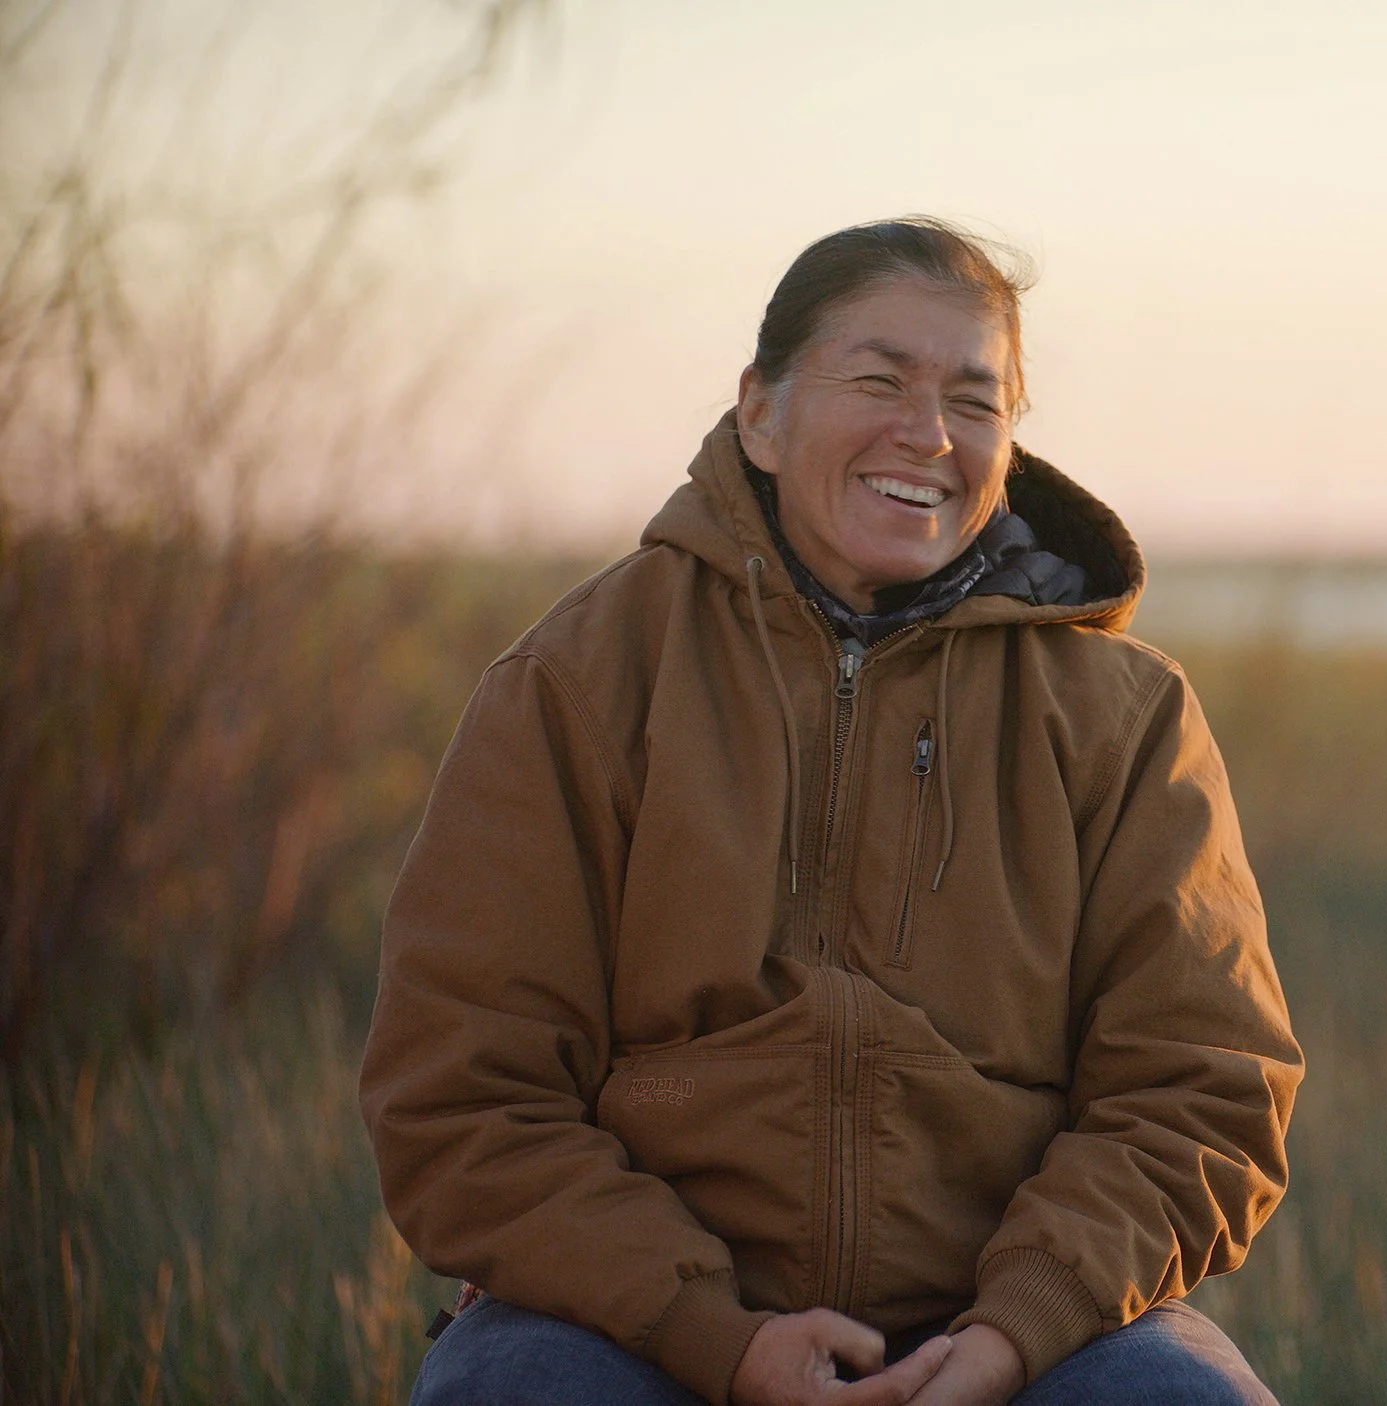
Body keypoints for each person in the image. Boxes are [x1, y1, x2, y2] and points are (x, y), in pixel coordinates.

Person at [361, 219, 1302, 1406]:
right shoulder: (581, 681)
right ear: (759, 411)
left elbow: (1205, 1090)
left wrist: (1014, 1330)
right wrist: (717, 1334)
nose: (929, 435)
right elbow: (462, 1097)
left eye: (975, 399)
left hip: (1015, 1336)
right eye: (878, 380)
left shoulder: (1126, 718)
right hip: (632, 1327)